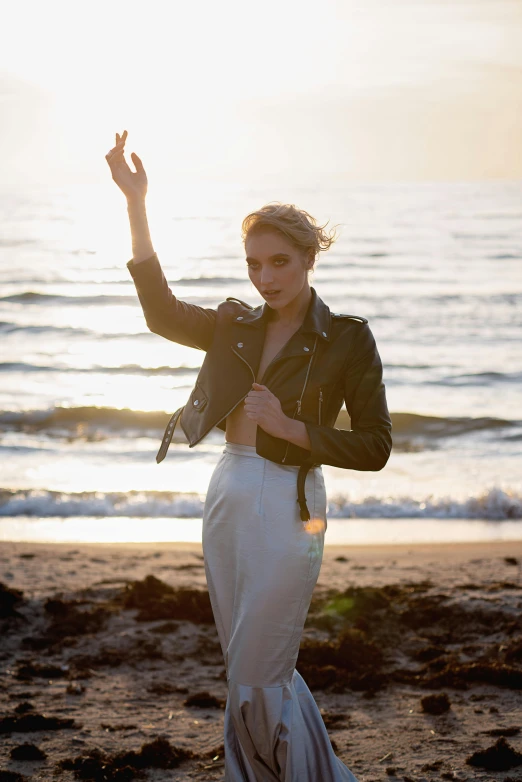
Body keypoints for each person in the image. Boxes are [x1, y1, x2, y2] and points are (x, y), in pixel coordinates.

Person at [106, 130, 392, 781]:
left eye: (279, 263)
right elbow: (160, 312)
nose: (265, 278)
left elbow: (375, 446)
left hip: (292, 503)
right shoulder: (236, 324)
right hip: (229, 493)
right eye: (254, 264)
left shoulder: (348, 339)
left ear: (308, 259)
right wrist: (136, 204)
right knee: (246, 664)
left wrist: (290, 428)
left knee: (261, 665)